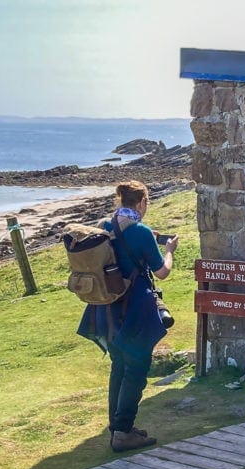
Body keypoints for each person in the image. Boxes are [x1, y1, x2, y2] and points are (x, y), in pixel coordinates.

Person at [77, 180, 178, 452]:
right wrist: (169, 251)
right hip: (134, 308)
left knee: (119, 367)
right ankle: (123, 432)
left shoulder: (106, 226)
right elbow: (161, 272)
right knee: (135, 369)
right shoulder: (141, 232)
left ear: (120, 201)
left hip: (107, 306)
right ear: (142, 202)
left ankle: (118, 428)